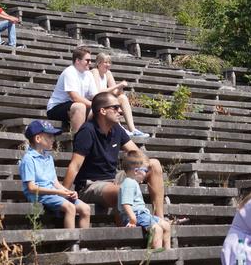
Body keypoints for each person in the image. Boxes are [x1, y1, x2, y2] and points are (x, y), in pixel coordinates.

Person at [62, 92, 165, 220]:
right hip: (91, 185)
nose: (120, 111)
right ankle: (129, 229)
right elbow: (74, 166)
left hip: (113, 178)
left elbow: (137, 154)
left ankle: (159, 218)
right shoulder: (87, 131)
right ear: (103, 111)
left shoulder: (116, 129)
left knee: (153, 164)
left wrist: (137, 171)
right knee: (122, 191)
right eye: (115, 108)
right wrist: (62, 194)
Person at [19, 120, 91, 229]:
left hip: (52, 192)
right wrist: (57, 192)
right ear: (38, 139)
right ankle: (72, 243)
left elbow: (55, 182)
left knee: (85, 209)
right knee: (70, 207)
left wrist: (68, 192)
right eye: (49, 136)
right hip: (38, 195)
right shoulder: (28, 159)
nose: (53, 139)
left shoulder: (49, 158)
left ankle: (84, 245)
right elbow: (31, 188)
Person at [118, 151, 171, 249]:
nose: (146, 173)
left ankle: (168, 252)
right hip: (136, 215)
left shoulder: (133, 182)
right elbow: (126, 203)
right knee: (157, 229)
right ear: (136, 171)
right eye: (145, 171)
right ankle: (156, 254)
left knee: (166, 226)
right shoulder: (128, 183)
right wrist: (133, 219)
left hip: (143, 214)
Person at [91, 53, 149, 138]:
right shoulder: (94, 71)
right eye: (105, 62)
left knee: (122, 98)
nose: (108, 65)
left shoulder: (108, 73)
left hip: (105, 99)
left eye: (109, 62)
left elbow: (114, 91)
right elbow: (98, 92)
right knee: (112, 102)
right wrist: (118, 85)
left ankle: (133, 129)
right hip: (97, 100)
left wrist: (121, 87)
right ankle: (120, 129)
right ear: (98, 63)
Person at [47, 47, 98, 133]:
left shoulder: (88, 74)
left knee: (103, 109)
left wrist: (103, 105)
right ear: (78, 60)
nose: (90, 63)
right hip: (56, 108)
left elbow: (95, 96)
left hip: (73, 105)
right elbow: (75, 97)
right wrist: (95, 105)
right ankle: (78, 140)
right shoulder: (69, 72)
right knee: (80, 106)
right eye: (87, 60)